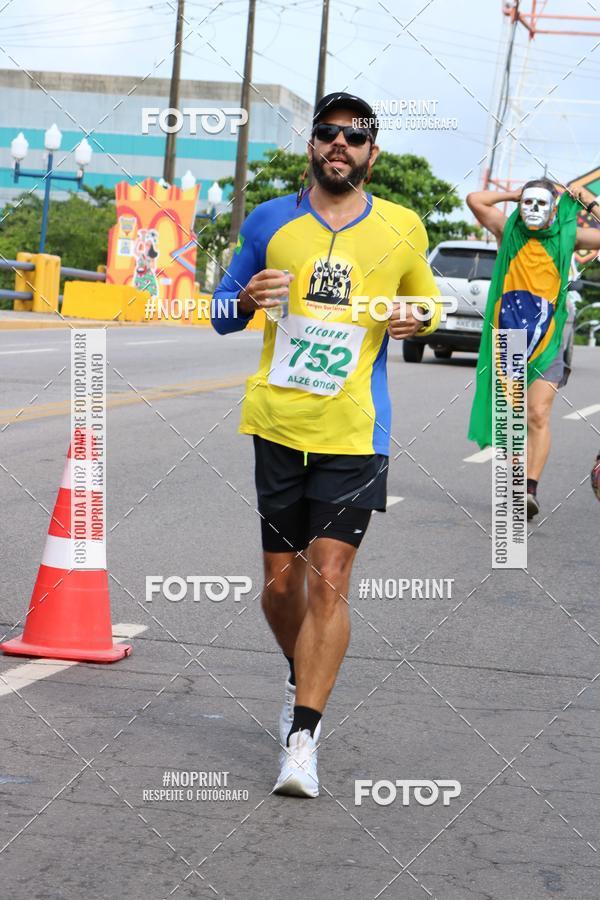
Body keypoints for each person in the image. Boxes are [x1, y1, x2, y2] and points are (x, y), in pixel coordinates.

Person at [211, 91, 442, 798]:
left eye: (354, 136)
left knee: (330, 577)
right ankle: (300, 673)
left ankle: (302, 738)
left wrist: (417, 317)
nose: (340, 143)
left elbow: (430, 303)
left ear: (372, 153)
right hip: (279, 426)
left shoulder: (402, 226)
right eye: (327, 132)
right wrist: (246, 298)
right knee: (282, 586)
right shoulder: (269, 220)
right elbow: (219, 313)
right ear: (312, 145)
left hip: (355, 430)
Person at [467, 179, 600, 519]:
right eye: (527, 203)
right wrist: (513, 194)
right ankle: (514, 485)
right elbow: (475, 199)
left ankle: (529, 489)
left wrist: (589, 201)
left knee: (537, 413)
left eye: (541, 203)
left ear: (554, 208)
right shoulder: (508, 230)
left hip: (548, 337)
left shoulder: (568, 235)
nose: (533, 210)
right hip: (509, 337)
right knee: (512, 417)